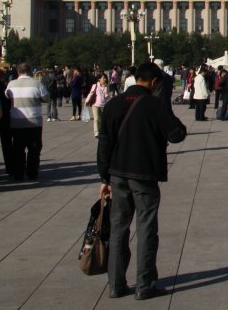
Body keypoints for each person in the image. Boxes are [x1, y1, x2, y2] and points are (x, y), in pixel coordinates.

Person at [98, 61, 187, 301]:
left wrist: (104, 177)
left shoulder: (113, 104)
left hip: (117, 174)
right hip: (144, 174)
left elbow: (104, 144)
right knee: (146, 227)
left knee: (118, 228)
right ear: (155, 81)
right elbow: (177, 134)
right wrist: (167, 111)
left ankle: (115, 284)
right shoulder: (154, 105)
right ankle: (144, 284)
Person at [5, 63, 50, 181]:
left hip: (16, 122)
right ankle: (32, 172)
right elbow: (46, 98)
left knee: (18, 149)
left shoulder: (11, 84)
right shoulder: (37, 84)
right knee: (34, 149)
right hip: (34, 122)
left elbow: (7, 97)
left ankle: (18, 173)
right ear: (30, 71)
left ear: (18, 71)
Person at [85, 72, 112, 138]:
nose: (105, 79)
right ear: (99, 79)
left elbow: (108, 97)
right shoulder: (95, 85)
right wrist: (86, 101)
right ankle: (96, 133)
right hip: (95, 105)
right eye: (103, 78)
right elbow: (91, 93)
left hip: (104, 105)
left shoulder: (106, 86)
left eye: (105, 78)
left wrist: (106, 94)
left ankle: (101, 131)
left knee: (102, 119)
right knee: (96, 119)